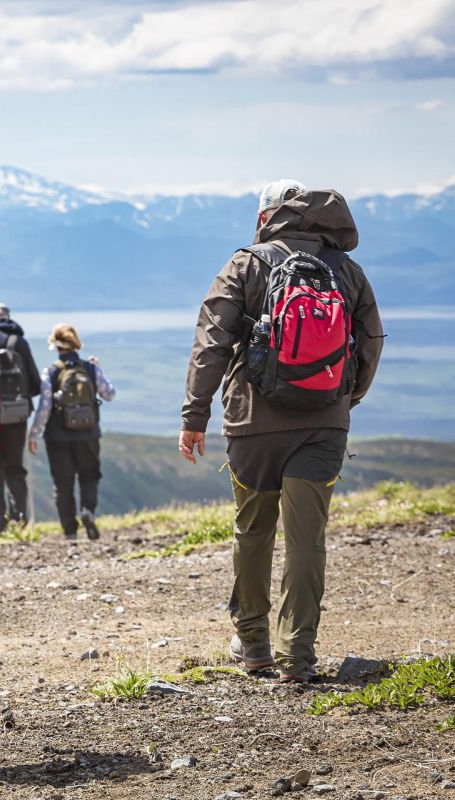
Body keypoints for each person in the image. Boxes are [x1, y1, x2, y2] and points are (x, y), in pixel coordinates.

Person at [179, 179, 384, 683]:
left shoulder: (246, 263)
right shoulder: (346, 270)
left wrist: (194, 416)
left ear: (267, 217)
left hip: (254, 423)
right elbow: (371, 341)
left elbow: (212, 340)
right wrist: (344, 399)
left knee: (254, 531)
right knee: (306, 539)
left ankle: (253, 645)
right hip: (323, 424)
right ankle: (299, 657)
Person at [28, 324, 116, 541]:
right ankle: (88, 510)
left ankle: (69, 532)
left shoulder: (51, 371)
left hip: (58, 436)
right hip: (89, 432)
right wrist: (99, 369)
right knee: (89, 476)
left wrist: (34, 434)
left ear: (55, 346)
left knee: (62, 483)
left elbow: (45, 407)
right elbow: (109, 394)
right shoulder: (91, 368)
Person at [0, 302, 40, 533]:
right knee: (16, 467)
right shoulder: (19, 342)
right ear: (8, 318)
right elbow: (34, 381)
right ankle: (21, 520)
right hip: (18, 416)